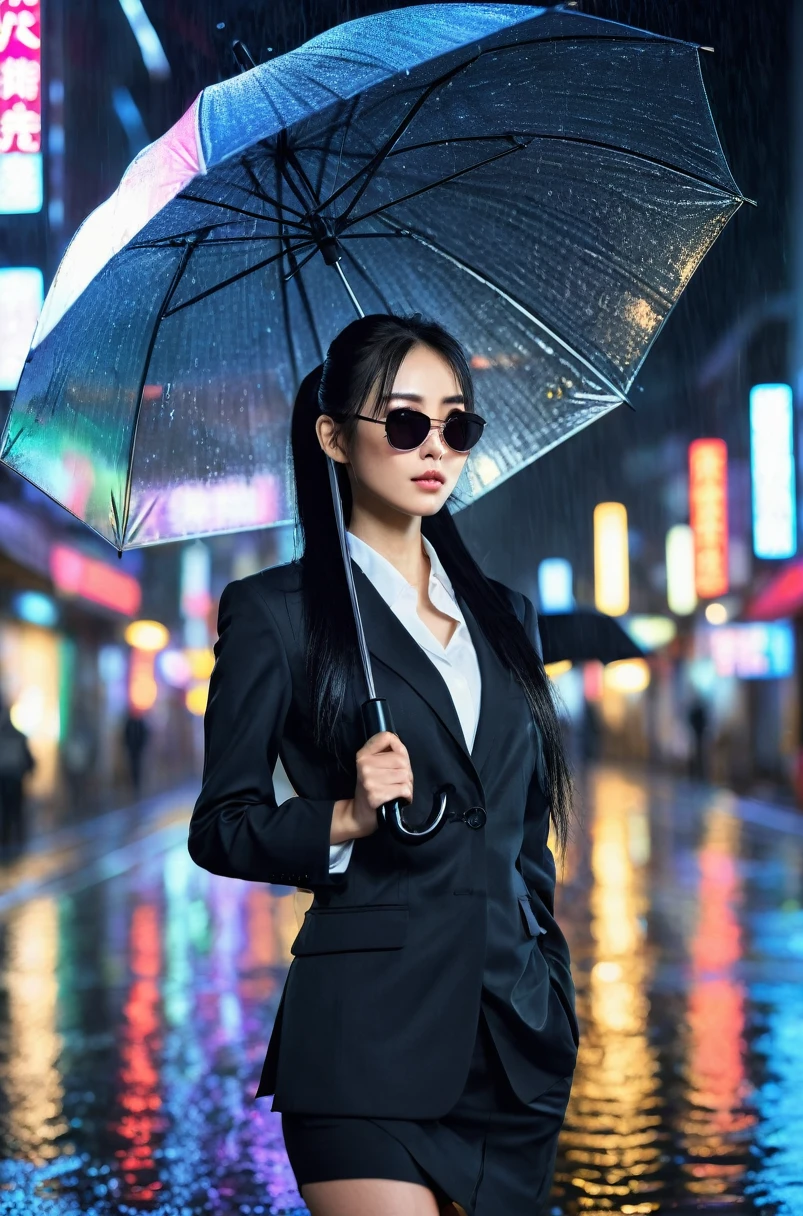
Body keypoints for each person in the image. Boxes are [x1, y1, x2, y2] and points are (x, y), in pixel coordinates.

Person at [188, 314, 578, 1216]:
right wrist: (345, 818)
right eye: (404, 422)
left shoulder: (508, 617)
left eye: (456, 424)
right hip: (363, 1039)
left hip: (513, 1042)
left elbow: (520, 833)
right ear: (333, 436)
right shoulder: (274, 614)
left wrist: (548, 978)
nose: (432, 446)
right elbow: (222, 823)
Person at [0, 701, 35, 857]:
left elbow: (27, 759)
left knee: (9, 811)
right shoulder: (18, 735)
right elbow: (29, 759)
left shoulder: (10, 735)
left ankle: (9, 841)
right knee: (15, 811)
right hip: (14, 778)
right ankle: (17, 841)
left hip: (7, 778)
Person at [123, 711, 149, 794]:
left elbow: (144, 734)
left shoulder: (140, 723)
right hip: (131, 748)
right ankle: (133, 783)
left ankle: (139, 783)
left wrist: (141, 745)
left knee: (139, 765)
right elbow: (125, 735)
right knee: (132, 765)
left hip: (139, 748)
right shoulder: (129, 723)